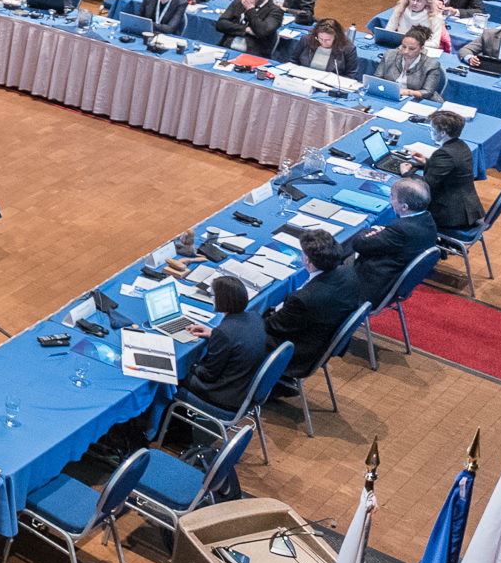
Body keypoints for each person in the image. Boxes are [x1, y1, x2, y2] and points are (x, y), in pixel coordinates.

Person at [263, 228, 365, 388]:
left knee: (241, 335)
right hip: (319, 339)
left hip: (300, 352)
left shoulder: (304, 299)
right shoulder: (349, 273)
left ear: (308, 261)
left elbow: (271, 327)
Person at [177, 276, 270, 414]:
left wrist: (190, 366)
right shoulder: (254, 317)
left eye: (213, 295)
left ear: (221, 300)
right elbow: (236, 337)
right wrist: (213, 333)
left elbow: (208, 375)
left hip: (224, 396)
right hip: (245, 388)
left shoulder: (224, 333)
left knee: (175, 378)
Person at [349, 176, 437, 302]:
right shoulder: (427, 218)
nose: (390, 201)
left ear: (405, 207)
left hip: (372, 287)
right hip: (394, 280)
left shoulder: (401, 230)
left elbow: (359, 243)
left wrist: (371, 230)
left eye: (392, 197)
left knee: (335, 261)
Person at [409, 111, 483, 232]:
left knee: (407, 211)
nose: (430, 131)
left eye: (432, 129)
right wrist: (427, 163)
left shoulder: (444, 153)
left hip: (450, 215)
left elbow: (425, 186)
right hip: (468, 209)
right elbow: (450, 169)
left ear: (443, 133)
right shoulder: (462, 146)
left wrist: (407, 173)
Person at [215, 0, 282, 54]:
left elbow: (262, 31)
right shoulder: (238, 2)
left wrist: (250, 10)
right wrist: (245, 29)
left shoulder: (275, 11)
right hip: (228, 46)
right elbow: (220, 24)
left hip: (254, 53)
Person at [277, 18, 359, 77]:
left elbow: (351, 75)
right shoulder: (306, 39)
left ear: (337, 37)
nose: (323, 42)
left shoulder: (348, 48)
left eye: (328, 40)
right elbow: (293, 60)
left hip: (330, 85)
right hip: (303, 78)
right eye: (320, 39)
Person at [387, 0, 455, 49]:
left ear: (427, 2)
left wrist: (413, 44)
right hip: (400, 46)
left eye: (419, 1)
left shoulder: (436, 18)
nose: (414, 3)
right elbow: (388, 31)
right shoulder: (400, 10)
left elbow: (435, 43)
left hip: (421, 50)